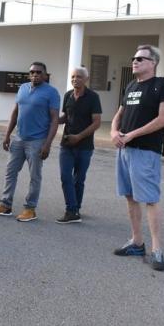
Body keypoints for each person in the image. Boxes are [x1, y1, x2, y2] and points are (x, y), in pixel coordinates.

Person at [111, 45, 164, 271]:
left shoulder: (162, 86)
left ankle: (157, 250)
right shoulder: (130, 86)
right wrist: (114, 132)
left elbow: (163, 119)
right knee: (130, 196)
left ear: (153, 62)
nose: (135, 61)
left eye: (140, 58)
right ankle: (137, 242)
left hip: (146, 151)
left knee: (150, 199)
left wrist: (132, 135)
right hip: (124, 150)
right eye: (133, 57)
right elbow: (119, 114)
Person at [0, 61, 60, 222]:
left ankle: (30, 209)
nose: (35, 75)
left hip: (37, 141)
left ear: (45, 75)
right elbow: (15, 112)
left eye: (39, 72)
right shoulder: (23, 88)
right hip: (19, 138)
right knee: (10, 172)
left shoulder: (52, 92)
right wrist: (7, 135)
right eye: (32, 72)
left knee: (35, 176)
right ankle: (5, 205)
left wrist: (47, 144)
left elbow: (54, 120)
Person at [56, 67, 102, 224]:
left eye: (79, 77)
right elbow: (65, 117)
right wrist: (52, 120)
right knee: (65, 176)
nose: (75, 79)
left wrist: (79, 137)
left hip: (85, 146)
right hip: (67, 144)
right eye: (73, 76)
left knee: (79, 179)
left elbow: (97, 122)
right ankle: (71, 210)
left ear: (86, 79)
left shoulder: (93, 97)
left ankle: (75, 208)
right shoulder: (68, 95)